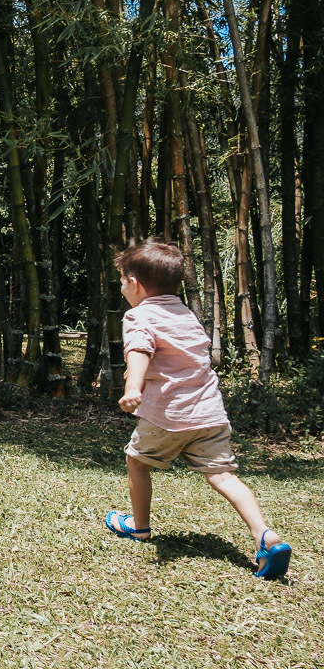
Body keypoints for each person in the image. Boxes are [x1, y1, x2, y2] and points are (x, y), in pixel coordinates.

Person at [104, 238, 291, 579]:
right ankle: (264, 534)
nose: (121, 287)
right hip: (209, 413)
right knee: (222, 476)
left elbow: (140, 351)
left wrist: (132, 388)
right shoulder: (186, 314)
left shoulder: (139, 315)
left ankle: (139, 527)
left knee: (137, 462)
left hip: (168, 414)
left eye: (121, 280)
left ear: (135, 283)